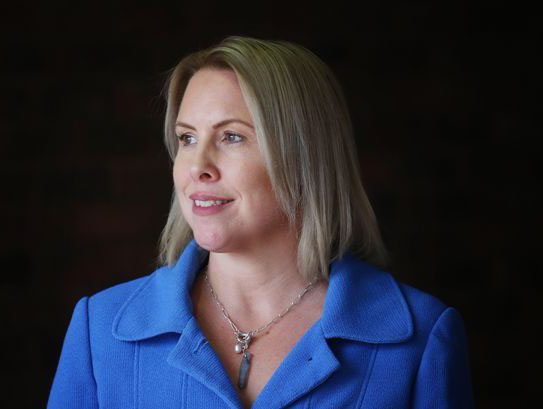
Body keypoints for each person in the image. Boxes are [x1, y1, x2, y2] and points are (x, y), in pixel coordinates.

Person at [48, 36, 474, 409]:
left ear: (306, 157)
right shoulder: (99, 331)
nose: (198, 166)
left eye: (232, 136)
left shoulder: (421, 338)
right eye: (187, 138)